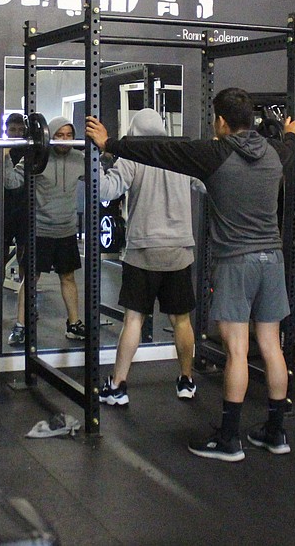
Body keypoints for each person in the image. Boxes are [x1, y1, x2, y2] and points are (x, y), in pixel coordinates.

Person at [85, 89, 295, 462]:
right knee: (271, 346)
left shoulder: (214, 154)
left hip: (237, 262)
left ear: (220, 122)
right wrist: (292, 133)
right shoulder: (275, 153)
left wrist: (109, 144)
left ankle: (230, 439)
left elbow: (157, 151)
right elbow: (290, 145)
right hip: (273, 259)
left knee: (236, 350)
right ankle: (275, 431)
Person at [96, 108, 199, 406]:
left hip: (143, 252)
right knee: (181, 320)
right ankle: (186, 381)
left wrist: (95, 161)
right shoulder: (182, 156)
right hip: (179, 251)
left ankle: (117, 385)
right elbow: (207, 184)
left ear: (134, 132)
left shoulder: (132, 157)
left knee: (133, 320)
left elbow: (106, 190)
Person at [4, 116, 86, 343]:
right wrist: (3, 157)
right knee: (30, 278)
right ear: (50, 136)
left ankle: (74, 324)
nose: (65, 140)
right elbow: (11, 182)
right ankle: (21, 326)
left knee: (68, 277)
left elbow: (102, 183)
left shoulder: (79, 159)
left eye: (69, 136)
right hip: (40, 230)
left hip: (66, 230)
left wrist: (105, 154)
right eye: (60, 135)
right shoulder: (36, 158)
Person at [1, 113, 28, 312]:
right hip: (4, 209)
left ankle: (24, 293)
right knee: (0, 253)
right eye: (13, 130)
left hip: (25, 207)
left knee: (24, 253)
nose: (17, 133)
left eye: (20, 129)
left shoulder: (29, 151)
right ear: (6, 130)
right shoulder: (0, 150)